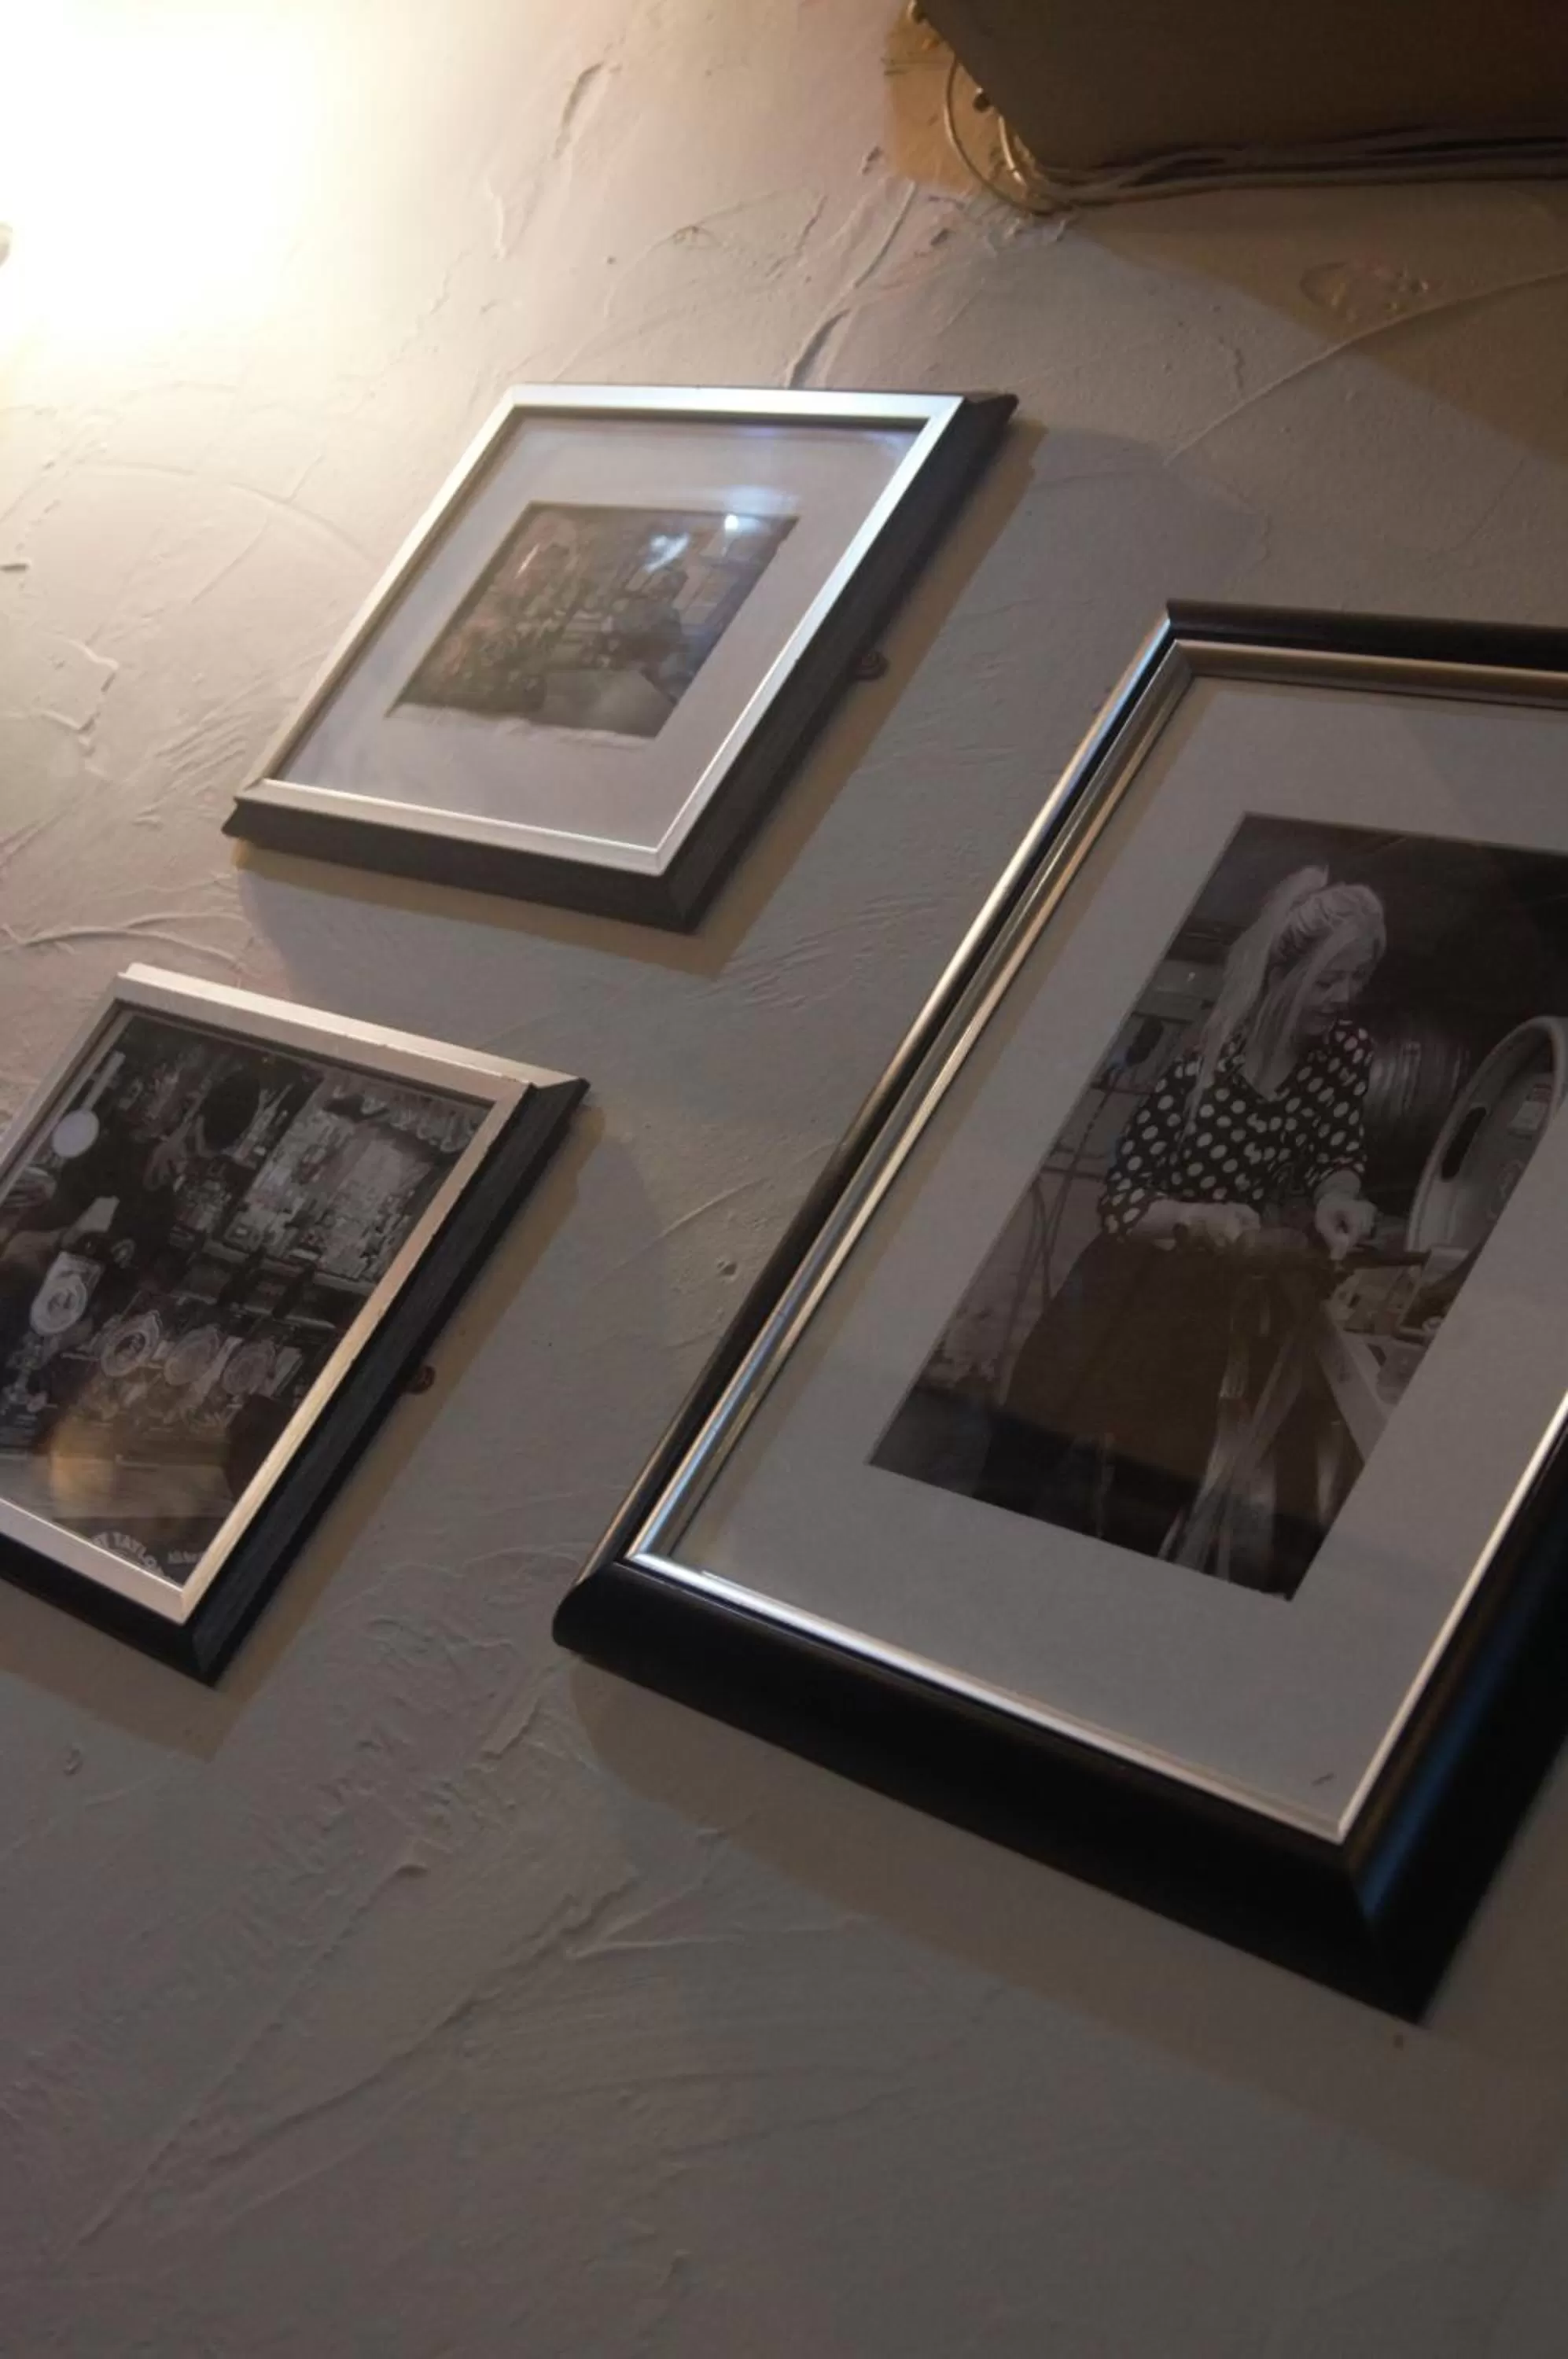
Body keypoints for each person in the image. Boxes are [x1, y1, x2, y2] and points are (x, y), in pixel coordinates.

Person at [973, 865, 1386, 1592]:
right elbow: (1123, 1201)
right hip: (1122, 1287)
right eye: (1329, 981)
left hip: (1210, 1310)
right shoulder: (1209, 1049)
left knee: (1151, 1490)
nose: (1344, 998)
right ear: (1285, 972)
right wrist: (1194, 1215)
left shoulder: (1348, 1053)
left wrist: (1338, 1198)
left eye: (1359, 979)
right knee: (1026, 1453)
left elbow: (1337, 1153)